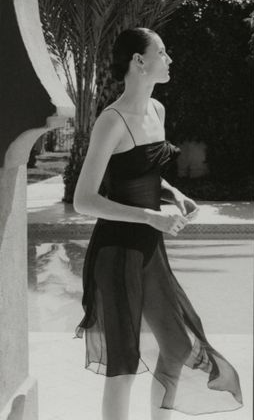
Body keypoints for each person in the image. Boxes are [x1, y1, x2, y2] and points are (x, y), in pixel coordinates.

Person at [73, 27, 243, 420]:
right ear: (139, 62)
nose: (169, 60)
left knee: (177, 348)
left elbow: (143, 174)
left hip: (150, 249)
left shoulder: (157, 111)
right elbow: (84, 200)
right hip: (116, 253)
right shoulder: (111, 121)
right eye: (162, 52)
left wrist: (173, 195)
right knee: (124, 366)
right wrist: (151, 216)